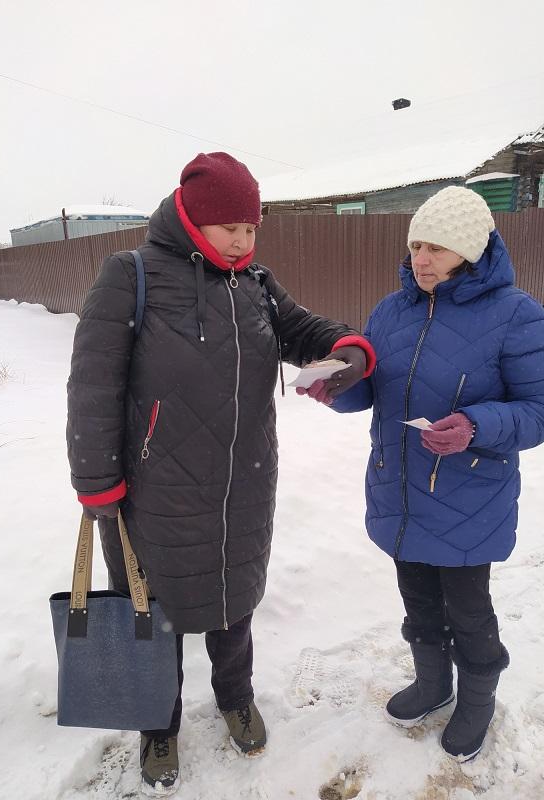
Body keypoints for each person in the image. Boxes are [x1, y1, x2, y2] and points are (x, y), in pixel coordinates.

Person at [66, 151, 375, 795]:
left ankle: (236, 697)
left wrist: (346, 348)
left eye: (251, 227)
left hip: (244, 483)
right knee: (156, 609)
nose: (243, 238)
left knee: (234, 603)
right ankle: (159, 722)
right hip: (155, 490)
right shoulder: (133, 275)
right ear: (191, 219)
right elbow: (94, 385)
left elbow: (304, 330)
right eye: (230, 226)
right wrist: (97, 482)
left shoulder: (255, 284)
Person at [298, 186, 544, 762]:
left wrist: (477, 425)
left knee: (468, 609)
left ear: (470, 250)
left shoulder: (517, 315)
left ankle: (477, 700)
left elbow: (537, 412)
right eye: (415, 246)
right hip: (400, 491)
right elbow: (376, 393)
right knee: (418, 601)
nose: (421, 259)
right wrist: (336, 387)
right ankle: (434, 684)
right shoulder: (391, 311)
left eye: (436, 247)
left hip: (468, 500)